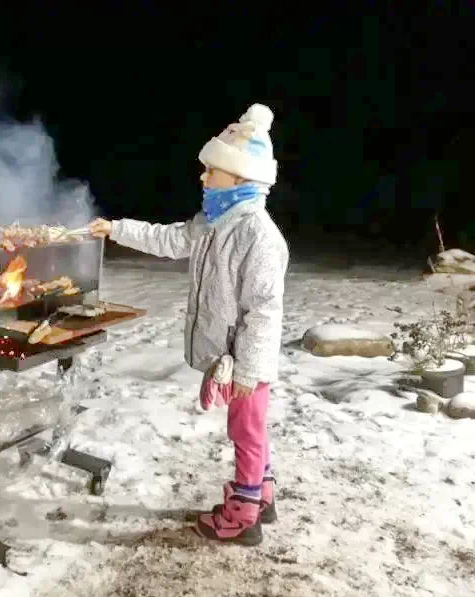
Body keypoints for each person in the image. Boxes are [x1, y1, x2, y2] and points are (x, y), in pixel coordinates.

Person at [89, 103, 289, 546]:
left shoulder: (257, 235)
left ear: (240, 178)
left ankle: (243, 515)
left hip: (246, 361)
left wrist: (248, 369)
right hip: (234, 359)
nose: (203, 178)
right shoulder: (213, 225)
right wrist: (117, 228)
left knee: (246, 431)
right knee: (249, 429)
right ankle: (263, 494)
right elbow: (169, 239)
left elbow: (264, 310)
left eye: (211, 171)